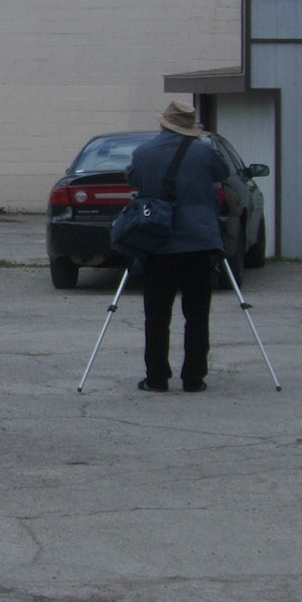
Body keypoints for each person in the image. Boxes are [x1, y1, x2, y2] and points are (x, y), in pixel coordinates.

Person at [125, 100, 232, 393]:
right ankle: (194, 377)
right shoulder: (204, 152)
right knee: (197, 314)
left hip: (158, 242)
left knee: (157, 315)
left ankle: (157, 377)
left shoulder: (144, 153)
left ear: (163, 125)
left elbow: (132, 178)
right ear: (189, 127)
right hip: (198, 243)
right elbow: (222, 174)